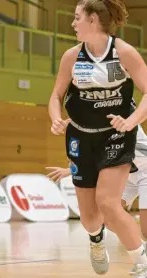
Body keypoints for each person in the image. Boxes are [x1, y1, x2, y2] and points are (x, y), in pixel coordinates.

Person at [48, 0, 147, 276]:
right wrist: (55, 117)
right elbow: (56, 96)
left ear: (93, 20)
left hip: (116, 135)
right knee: (90, 219)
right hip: (80, 136)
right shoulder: (71, 56)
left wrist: (130, 121)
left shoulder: (124, 52)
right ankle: (96, 239)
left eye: (77, 17)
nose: (73, 23)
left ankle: (142, 261)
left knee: (108, 203)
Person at [47, 124, 147, 241]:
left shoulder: (124, 117)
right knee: (107, 216)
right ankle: (139, 247)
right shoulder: (94, 124)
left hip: (144, 172)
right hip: (127, 175)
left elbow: (115, 153)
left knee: (145, 231)